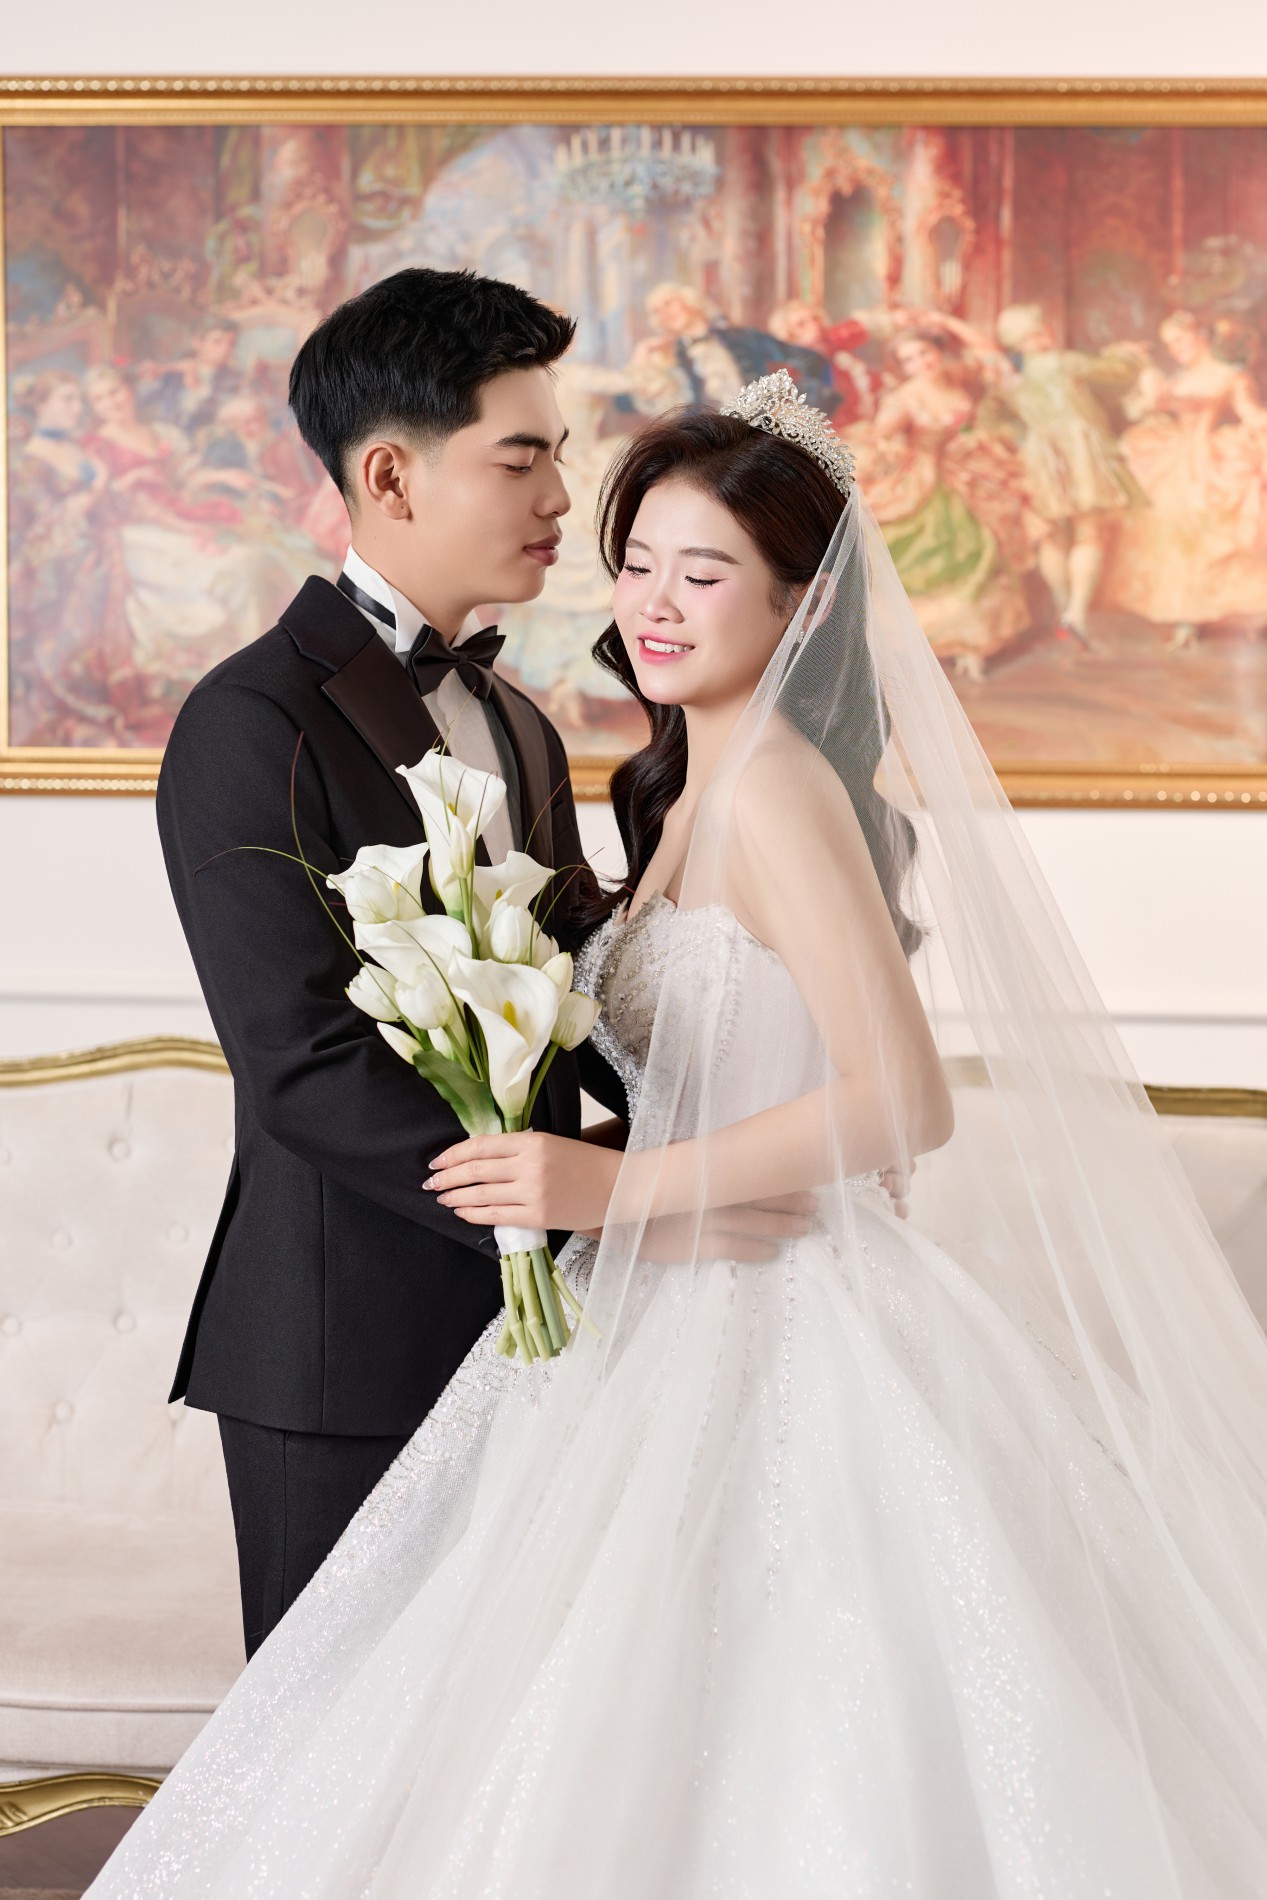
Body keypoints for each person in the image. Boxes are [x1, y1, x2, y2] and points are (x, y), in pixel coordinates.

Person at [89, 374, 1267, 1898]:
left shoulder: (774, 791)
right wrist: (612, 1191)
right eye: (634, 560)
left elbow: (898, 1100)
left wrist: (621, 1184)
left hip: (775, 1306)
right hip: (644, 1302)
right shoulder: (674, 789)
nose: (650, 602)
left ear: (797, 605)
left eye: (702, 574)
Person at [149, 267, 632, 1661]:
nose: (560, 497)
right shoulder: (249, 721)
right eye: (520, 459)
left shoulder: (520, 721)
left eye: (558, 457)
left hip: (546, 1339)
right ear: (389, 475)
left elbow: (573, 991)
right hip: (337, 1347)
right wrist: (552, 1214)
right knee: (326, 1756)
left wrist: (709, 1145)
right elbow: (301, 1063)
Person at [851, 325, 1032, 679]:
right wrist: (895, 451)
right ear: (901, 366)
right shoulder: (903, 399)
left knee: (986, 549)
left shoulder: (952, 377)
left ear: (937, 351)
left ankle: (972, 643)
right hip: (927, 479)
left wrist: (940, 320)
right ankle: (936, 645)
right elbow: (878, 439)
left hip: (969, 470)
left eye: (925, 353)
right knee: (943, 555)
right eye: (909, 359)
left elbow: (988, 353)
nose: (921, 363)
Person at [1100, 310, 1267, 647]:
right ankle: (1186, 618)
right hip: (1176, 458)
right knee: (1171, 531)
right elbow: (1147, 406)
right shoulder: (1178, 378)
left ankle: (1229, 611)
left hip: (1209, 459)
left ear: (1200, 336)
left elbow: (1252, 415)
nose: (1176, 349)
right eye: (1169, 345)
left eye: (1180, 340)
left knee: (1211, 532)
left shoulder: (1230, 375)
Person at [994, 302, 1146, 652]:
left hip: (1038, 458)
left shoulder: (1007, 378)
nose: (1046, 333)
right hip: (1082, 455)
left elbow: (993, 419)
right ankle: (1076, 613)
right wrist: (1128, 354)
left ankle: (1063, 607)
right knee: (1088, 530)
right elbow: (1116, 374)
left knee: (1052, 535)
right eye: (1040, 329)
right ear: (1032, 336)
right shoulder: (1065, 362)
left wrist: (1029, 437)